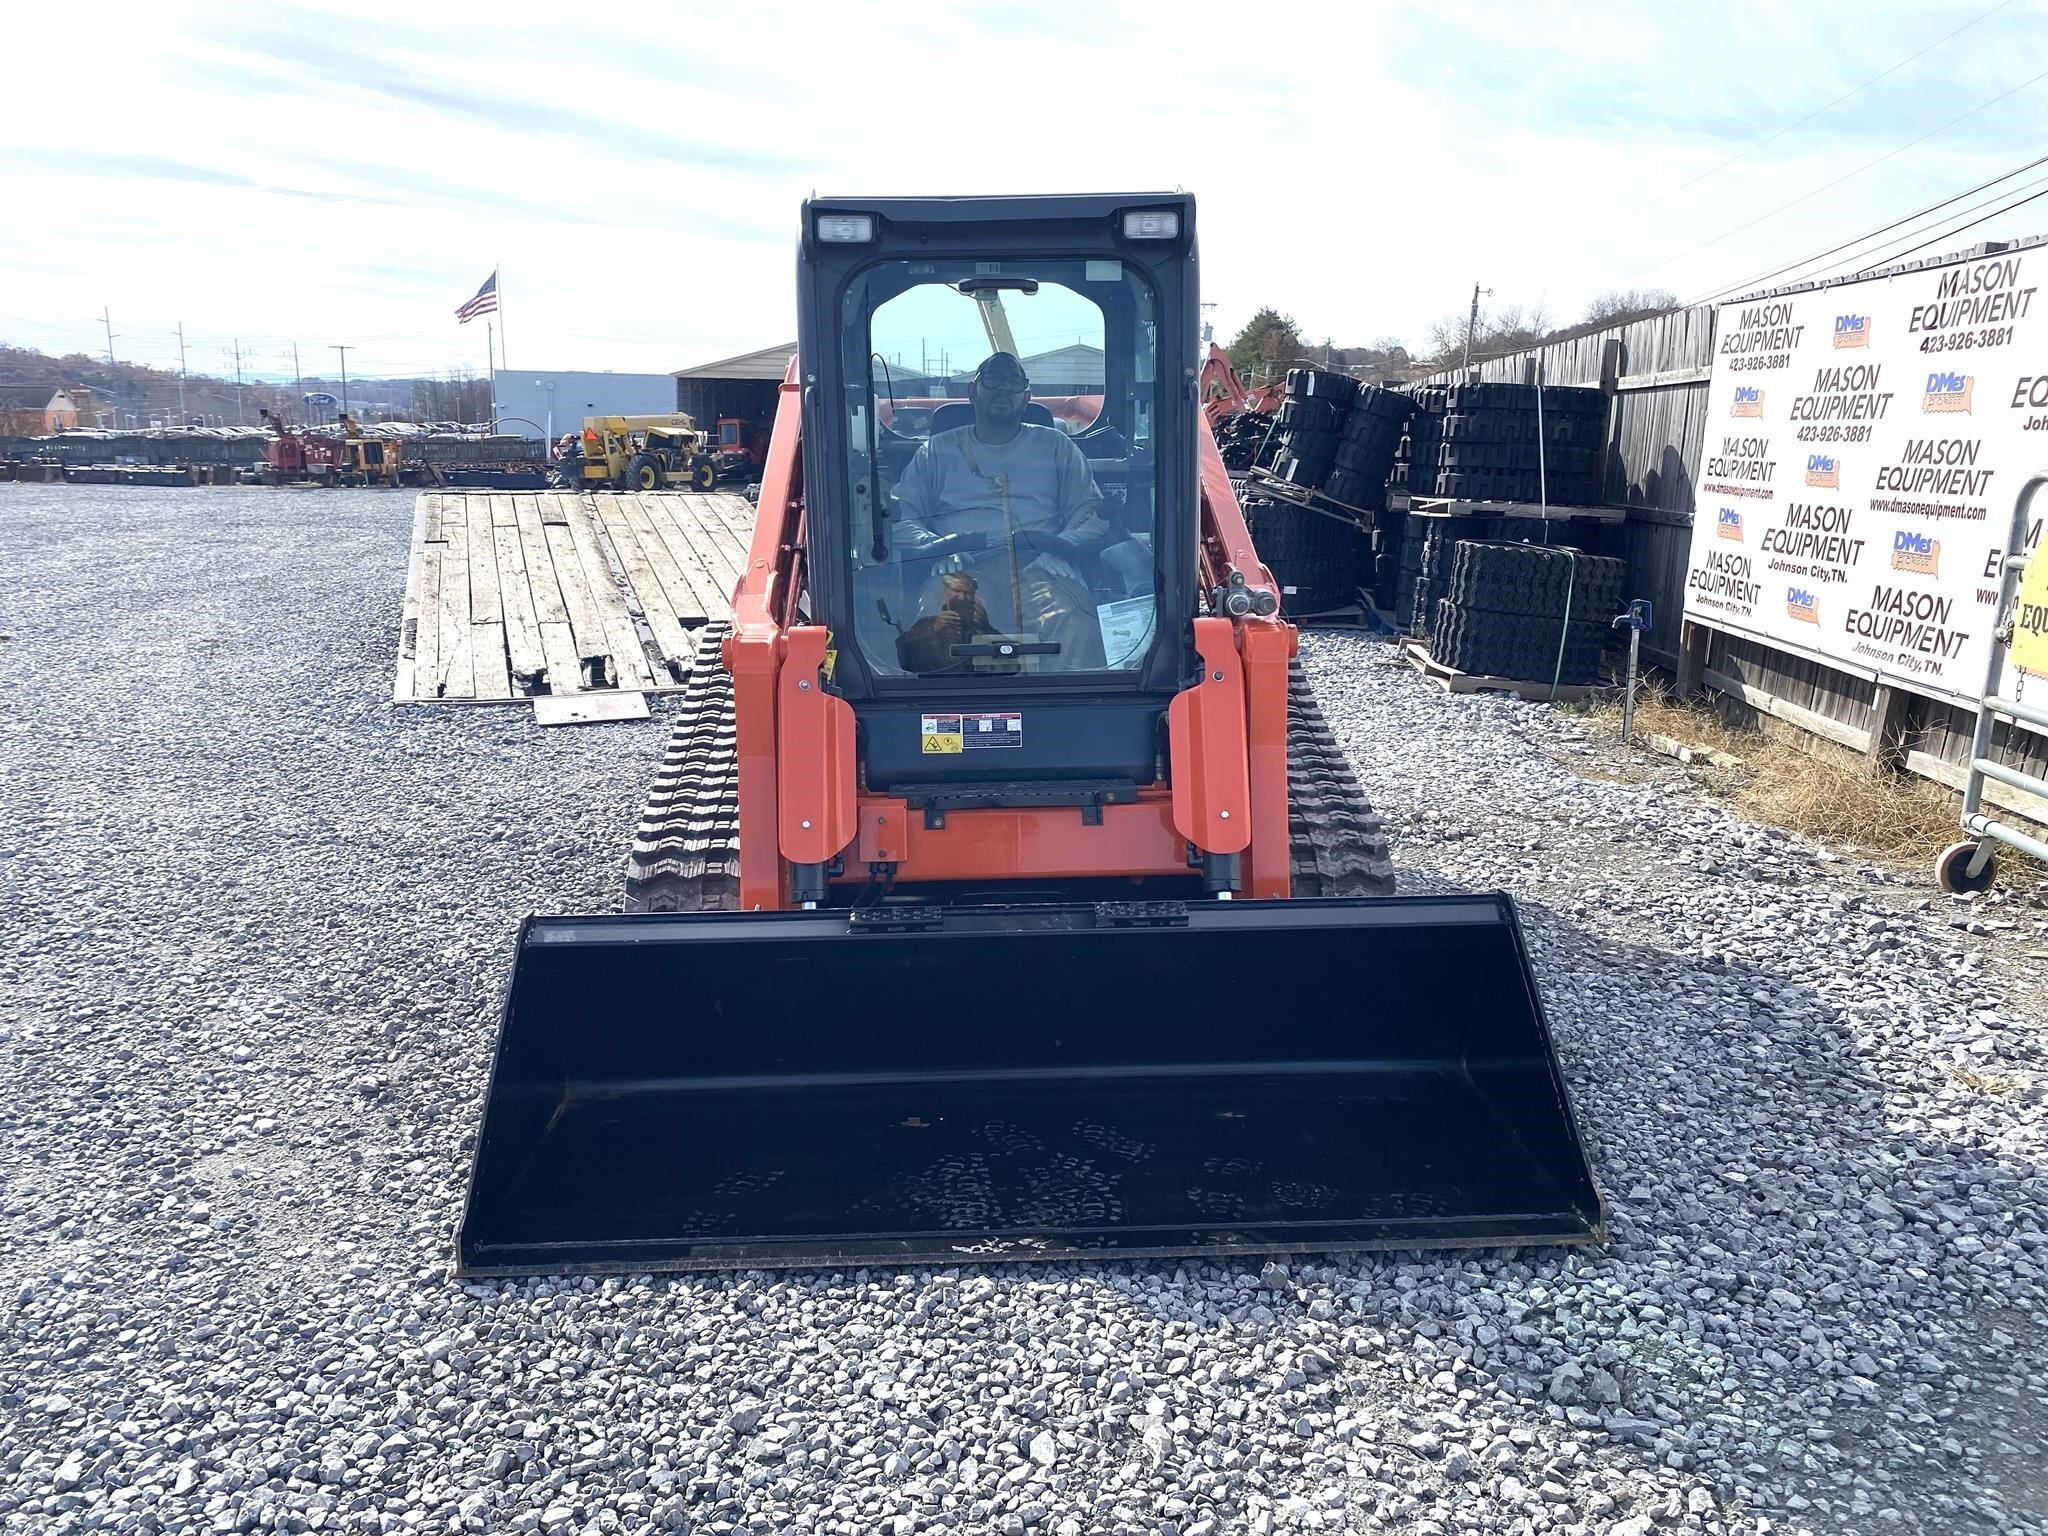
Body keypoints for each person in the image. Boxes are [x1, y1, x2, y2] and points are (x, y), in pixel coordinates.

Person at [891, 353, 1111, 672]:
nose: (1003, 389)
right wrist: (935, 549)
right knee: (942, 628)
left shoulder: (1057, 447)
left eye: (1014, 383)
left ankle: (1071, 713)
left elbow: (1092, 513)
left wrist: (1061, 548)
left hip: (1040, 565)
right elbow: (899, 516)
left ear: (1026, 397)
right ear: (972, 391)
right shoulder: (936, 452)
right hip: (963, 567)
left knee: (1073, 619)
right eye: (992, 380)